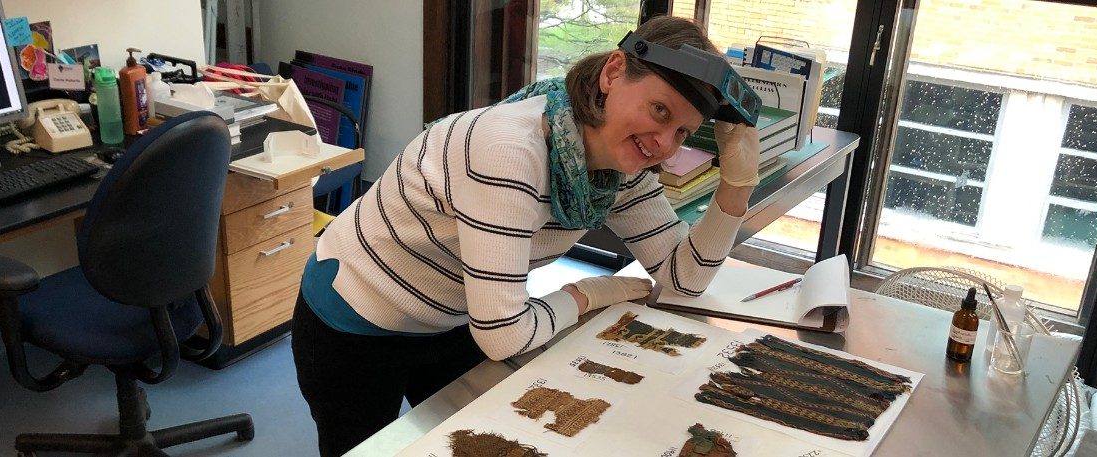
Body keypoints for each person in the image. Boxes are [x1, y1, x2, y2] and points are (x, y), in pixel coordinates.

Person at [291, 15, 760, 456]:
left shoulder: (621, 169)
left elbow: (683, 282)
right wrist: (589, 294)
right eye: (659, 110)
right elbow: (503, 335)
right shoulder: (510, 153)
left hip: (457, 313)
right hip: (355, 316)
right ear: (614, 72)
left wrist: (737, 188)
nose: (663, 144)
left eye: (682, 132)